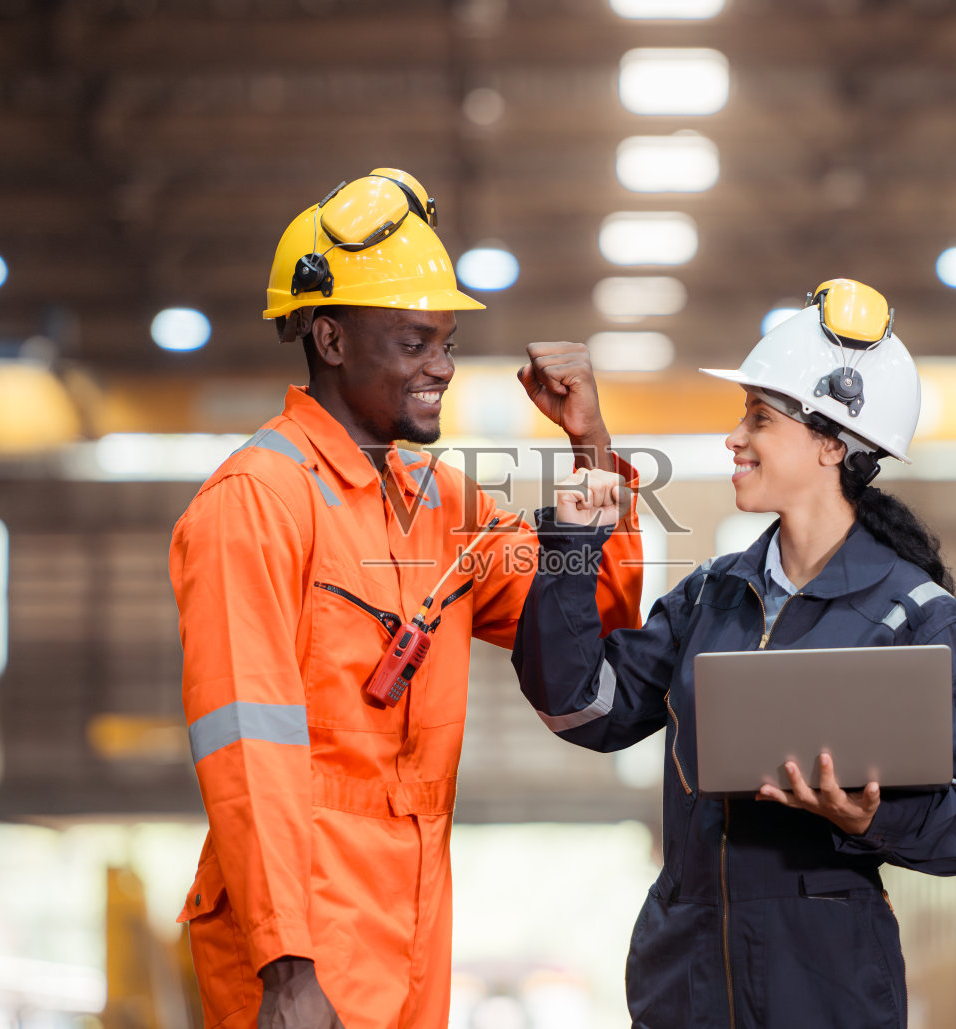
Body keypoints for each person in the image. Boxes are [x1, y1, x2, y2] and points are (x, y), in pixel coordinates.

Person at [169, 169, 644, 1029]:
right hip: (302, 935)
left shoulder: (444, 503)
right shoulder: (257, 501)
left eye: (448, 344)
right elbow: (249, 750)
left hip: (413, 920)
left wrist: (592, 447)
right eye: (416, 343)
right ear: (331, 338)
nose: (444, 369)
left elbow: (587, 616)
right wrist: (285, 966)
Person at [513, 279, 956, 1029]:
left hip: (821, 990)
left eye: (759, 418)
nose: (733, 438)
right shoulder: (711, 596)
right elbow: (581, 707)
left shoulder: (915, 615)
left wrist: (866, 818)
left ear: (832, 443)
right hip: (686, 983)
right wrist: (573, 544)